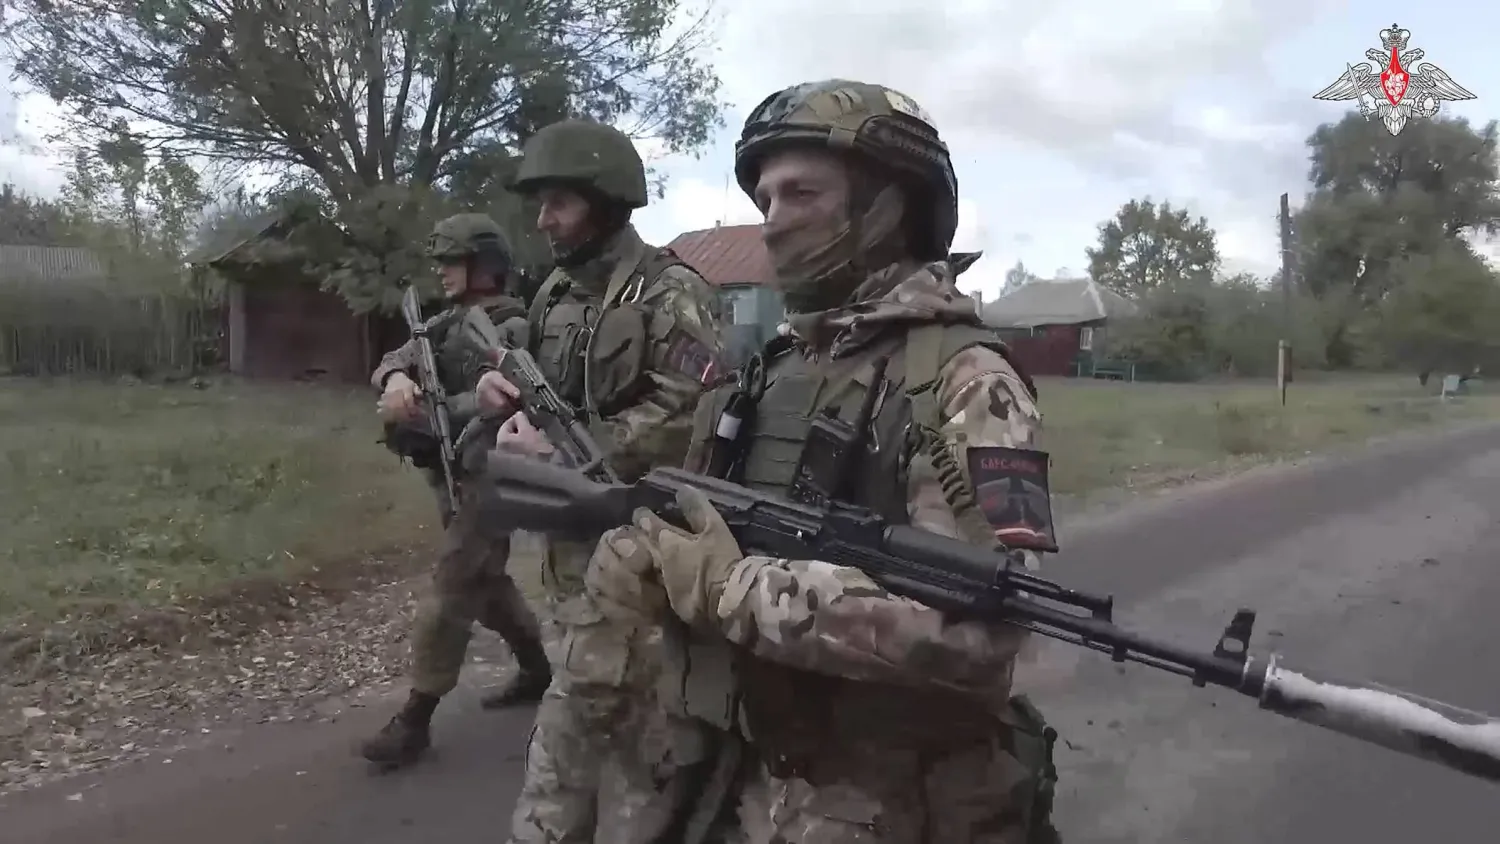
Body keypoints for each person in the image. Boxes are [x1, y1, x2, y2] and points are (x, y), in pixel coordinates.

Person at [582, 80, 1065, 843]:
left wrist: (735, 589)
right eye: (765, 198)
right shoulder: (774, 368)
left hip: (893, 803)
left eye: (800, 193)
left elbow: (981, 633)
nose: (771, 223)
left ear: (887, 206)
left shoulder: (965, 382)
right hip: (745, 770)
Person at [473, 118, 729, 843]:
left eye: (560, 202)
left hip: (645, 560)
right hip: (565, 556)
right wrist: (503, 396)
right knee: (579, 730)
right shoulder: (555, 292)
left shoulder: (672, 291)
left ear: (608, 201)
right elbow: (536, 379)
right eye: (542, 204)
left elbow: (693, 406)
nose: (544, 220)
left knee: (640, 753)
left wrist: (587, 453)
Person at [360, 213, 552, 769]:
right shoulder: (443, 321)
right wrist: (396, 379)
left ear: (485, 264)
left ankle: (415, 720)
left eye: (453, 260)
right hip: (450, 473)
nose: (442, 271)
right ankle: (538, 669)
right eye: (440, 260)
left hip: (492, 476)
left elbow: (512, 399)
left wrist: (441, 407)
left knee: (453, 585)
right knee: (484, 582)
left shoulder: (509, 326)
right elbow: (402, 356)